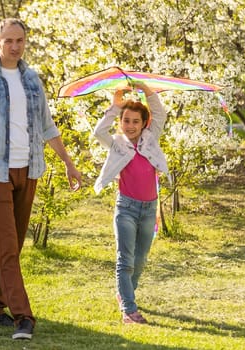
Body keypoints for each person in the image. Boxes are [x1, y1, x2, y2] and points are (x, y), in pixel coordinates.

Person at [0, 18, 82, 340]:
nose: (15, 46)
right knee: (7, 246)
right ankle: (23, 317)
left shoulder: (32, 80)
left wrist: (69, 164)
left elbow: (48, 127)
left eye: (20, 40)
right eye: (9, 40)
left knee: (12, 246)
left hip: (29, 170)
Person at [92, 81, 169, 324]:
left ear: (144, 124)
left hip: (149, 209)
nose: (130, 126)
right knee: (125, 260)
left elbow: (160, 114)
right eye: (126, 120)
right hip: (126, 208)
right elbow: (98, 132)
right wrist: (115, 106)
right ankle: (129, 309)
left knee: (140, 259)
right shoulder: (117, 144)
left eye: (136, 121)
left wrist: (147, 90)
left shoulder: (150, 138)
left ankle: (125, 293)